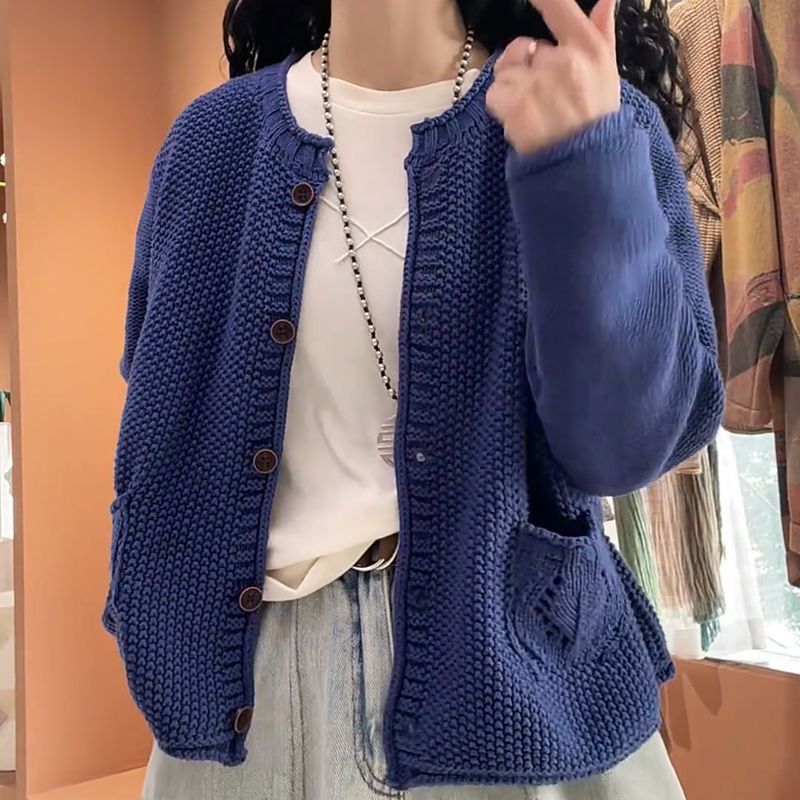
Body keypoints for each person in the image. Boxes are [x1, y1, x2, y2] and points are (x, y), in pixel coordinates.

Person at [103, 0, 724, 797]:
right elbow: (161, 423)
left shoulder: (582, 106)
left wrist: (584, 167)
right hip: (245, 704)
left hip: (514, 690)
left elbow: (626, 447)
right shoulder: (211, 143)